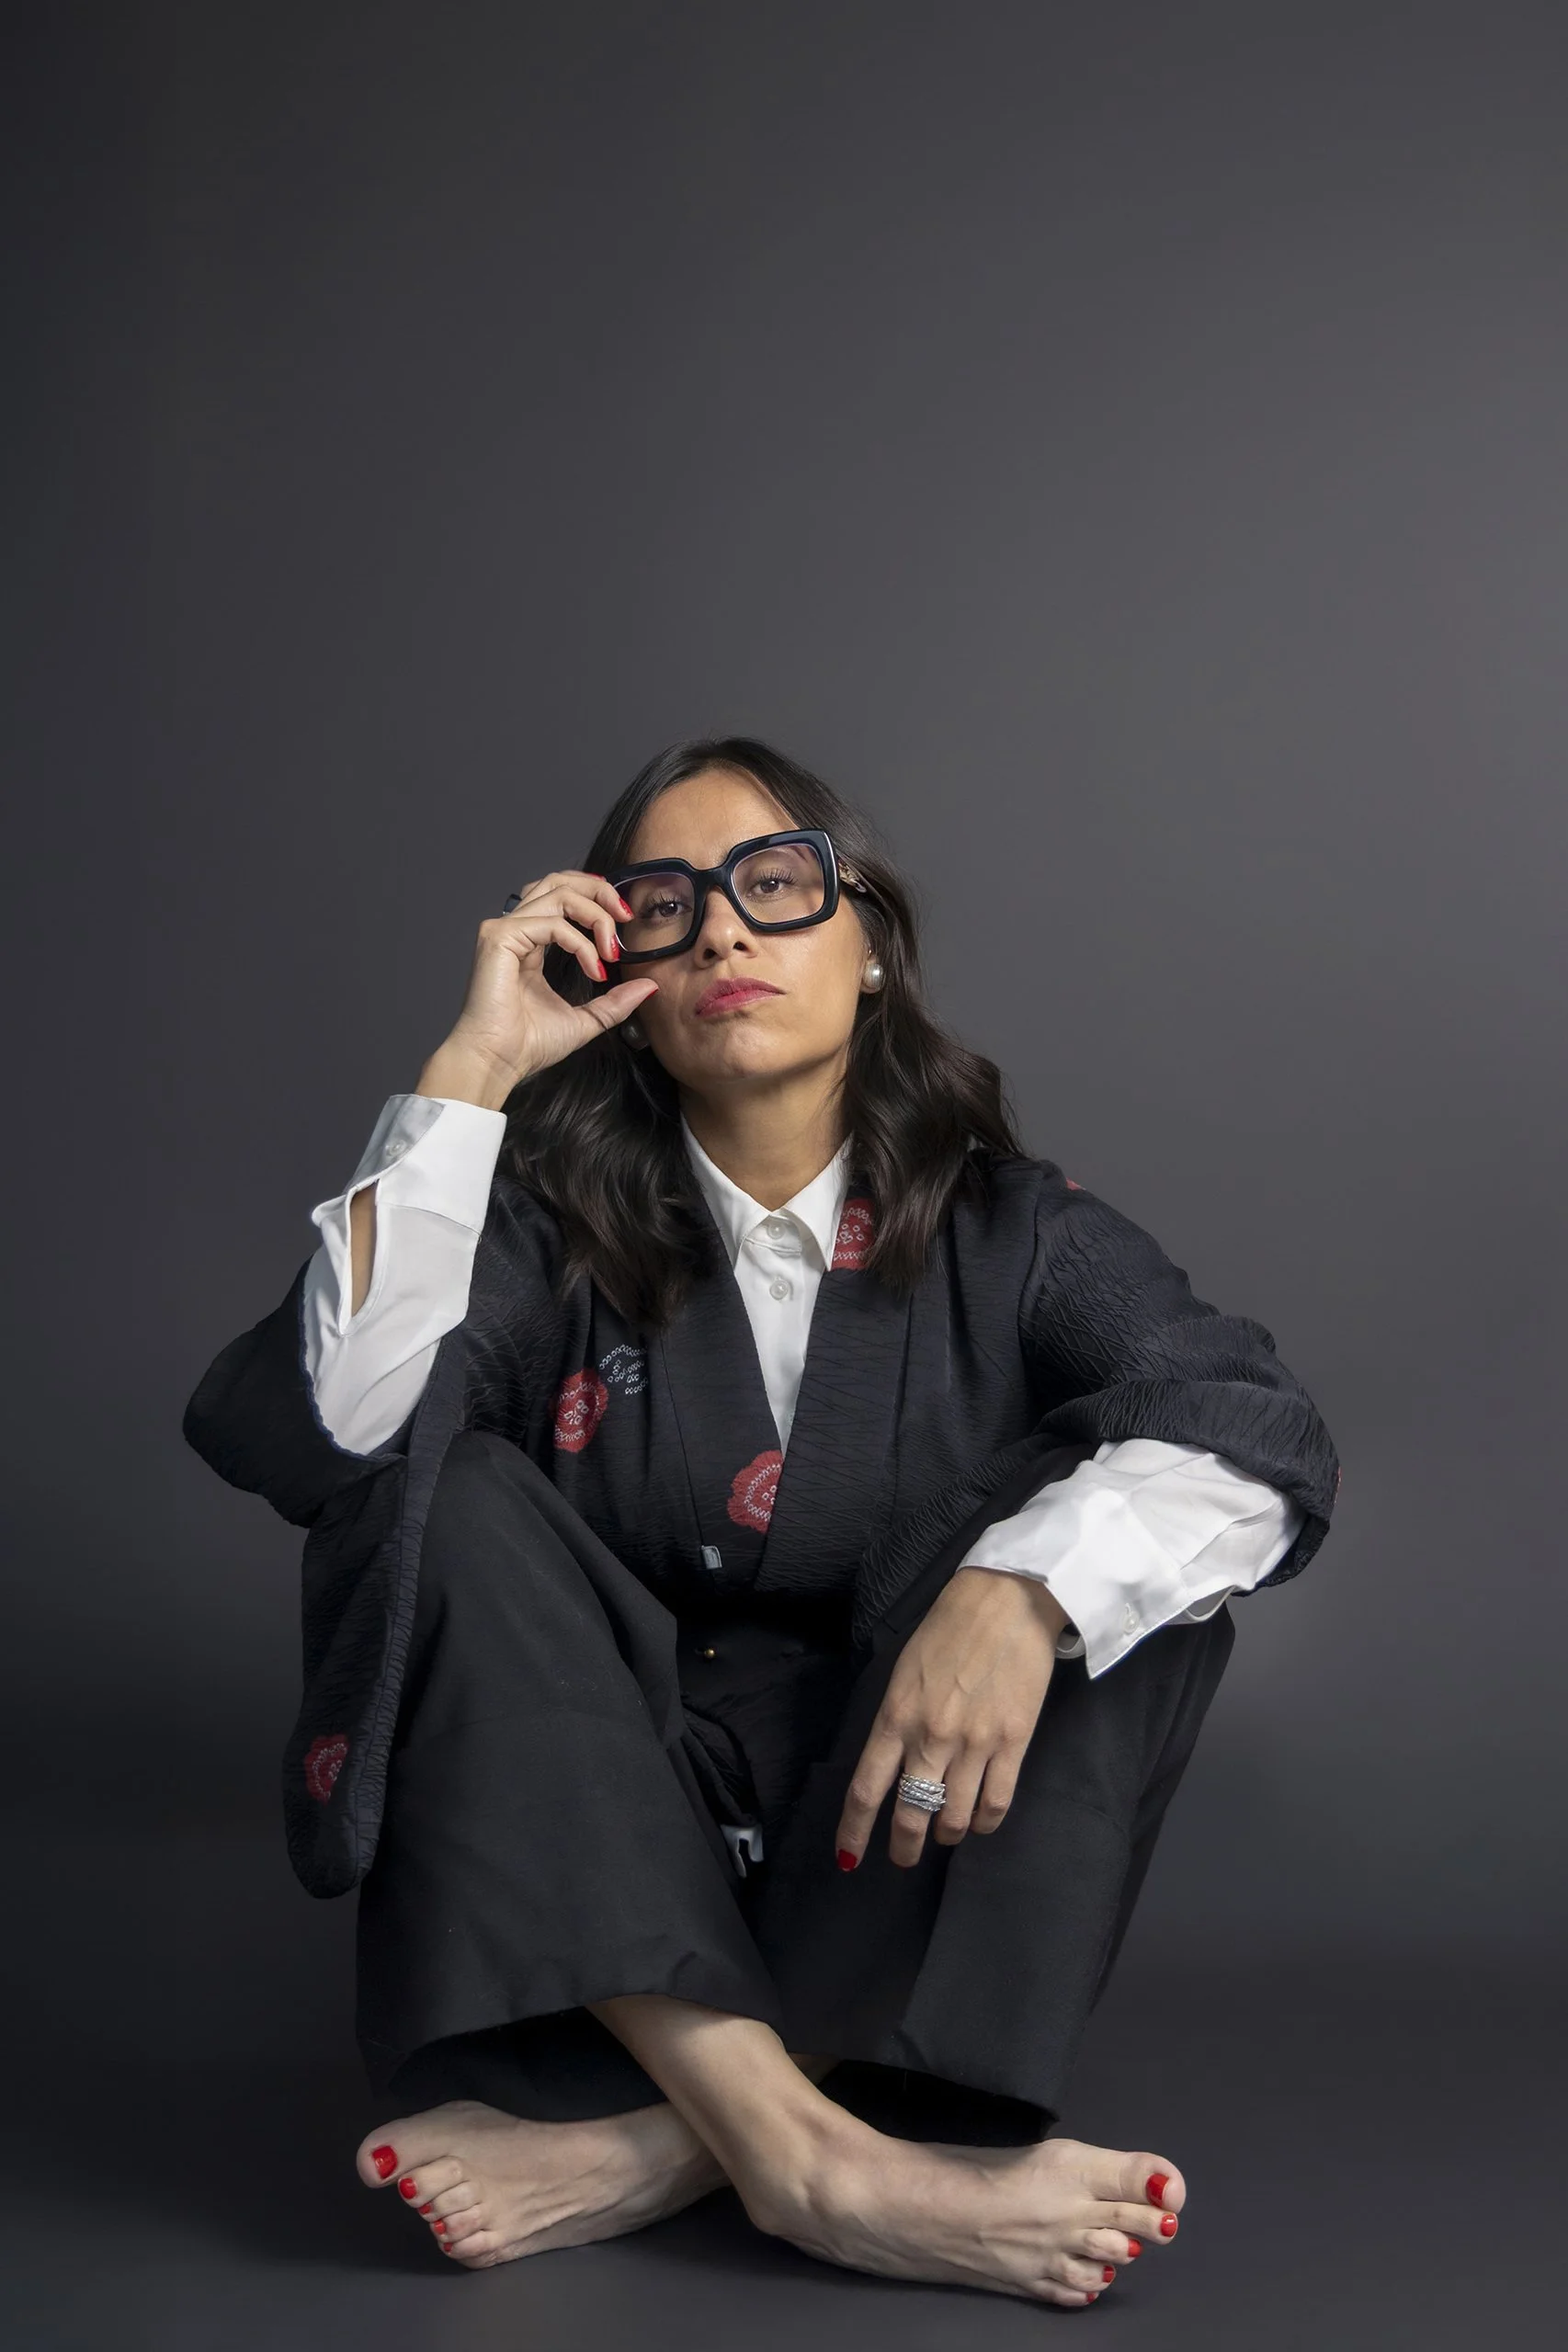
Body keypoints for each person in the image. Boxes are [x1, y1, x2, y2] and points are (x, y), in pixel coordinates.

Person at [185, 736, 1338, 2305]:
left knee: (1115, 1539)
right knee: (438, 1486)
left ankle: (670, 2140)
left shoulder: (1016, 1230)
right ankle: (814, 2158)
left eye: (776, 886)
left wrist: (1019, 1595)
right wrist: (472, 1071)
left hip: (899, 1824)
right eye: (664, 907)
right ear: (623, 975)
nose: (723, 932)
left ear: (868, 947)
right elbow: (336, 1432)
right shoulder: (541, 1222)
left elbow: (1257, 1429)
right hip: (604, 1844)